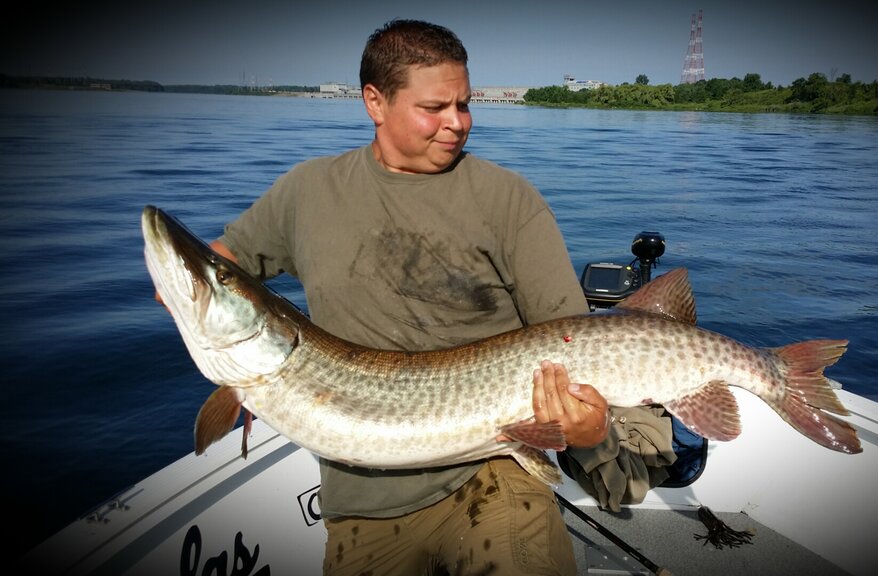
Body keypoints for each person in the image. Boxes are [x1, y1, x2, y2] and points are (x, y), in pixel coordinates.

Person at [202, 19, 611, 575]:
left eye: (464, 105)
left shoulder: (509, 200)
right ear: (375, 102)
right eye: (435, 108)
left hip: (492, 469)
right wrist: (183, 283)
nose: (457, 123)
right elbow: (223, 263)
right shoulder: (307, 191)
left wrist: (587, 426)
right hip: (360, 502)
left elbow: (576, 344)